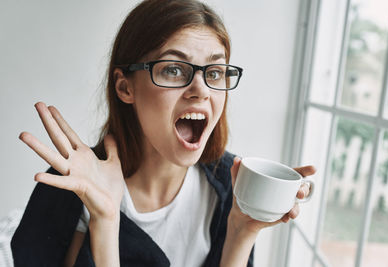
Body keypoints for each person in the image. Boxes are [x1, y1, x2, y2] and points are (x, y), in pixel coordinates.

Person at [11, 0, 315, 266]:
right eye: (173, 69)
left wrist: (241, 231)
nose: (201, 90)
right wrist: (104, 219)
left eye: (215, 72)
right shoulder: (73, 187)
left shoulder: (231, 184)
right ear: (124, 86)